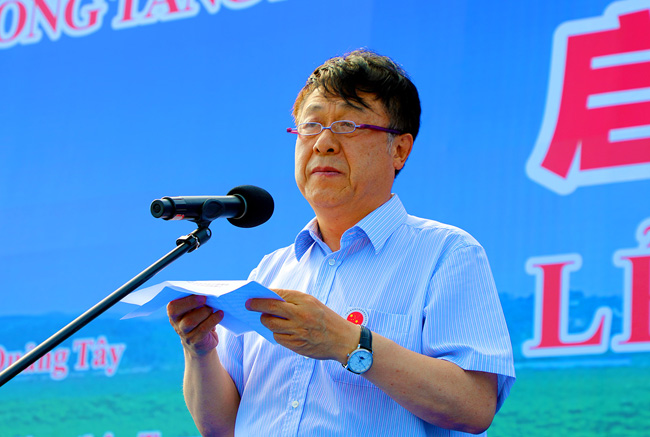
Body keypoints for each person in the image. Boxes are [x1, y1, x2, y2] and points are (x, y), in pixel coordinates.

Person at [167, 49, 515, 436]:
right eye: (310, 126)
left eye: (347, 125)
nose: (323, 143)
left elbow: (474, 406)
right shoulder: (270, 271)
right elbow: (222, 427)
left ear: (399, 149)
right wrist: (199, 350)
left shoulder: (446, 254)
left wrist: (345, 341)